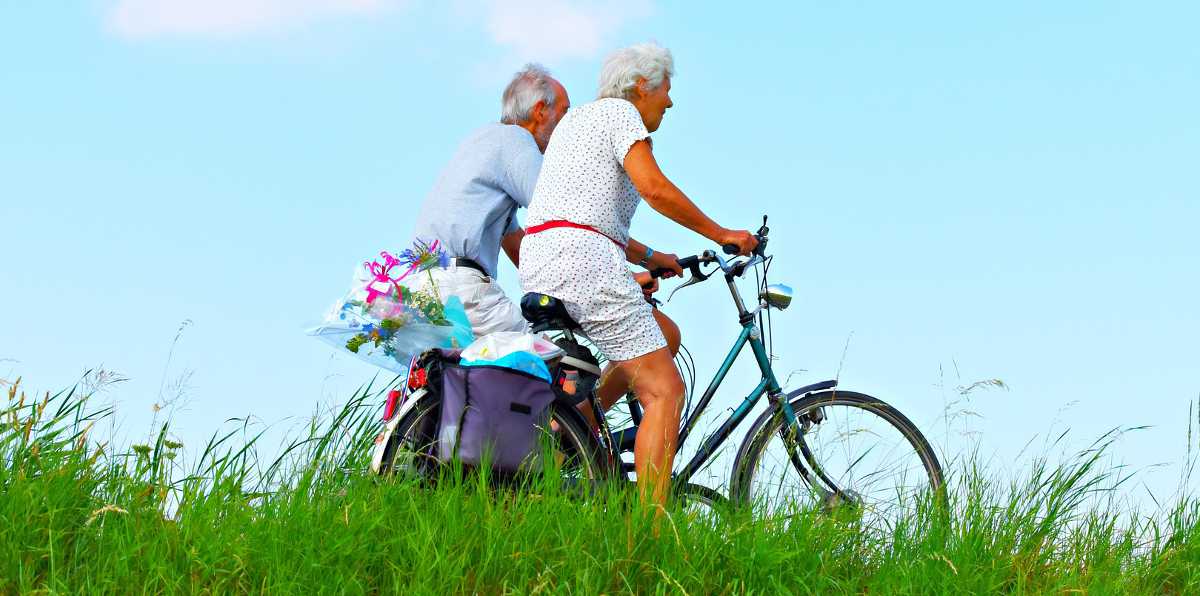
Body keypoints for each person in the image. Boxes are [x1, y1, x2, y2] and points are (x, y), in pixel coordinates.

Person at [519, 43, 757, 505]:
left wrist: (650, 258)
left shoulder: (578, 121)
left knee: (663, 334)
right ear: (642, 86)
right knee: (665, 390)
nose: (669, 102)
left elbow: (580, 212)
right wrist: (721, 233)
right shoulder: (621, 114)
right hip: (583, 261)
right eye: (666, 90)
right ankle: (647, 535)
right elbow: (654, 187)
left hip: (544, 259)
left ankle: (575, 432)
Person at [407, 64, 569, 336]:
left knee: (461, 375)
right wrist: (619, 275)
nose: (569, 124)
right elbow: (562, 212)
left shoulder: (483, 140)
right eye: (565, 112)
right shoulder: (516, 140)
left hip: (423, 288)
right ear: (541, 110)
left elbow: (518, 246)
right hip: (461, 288)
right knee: (548, 361)